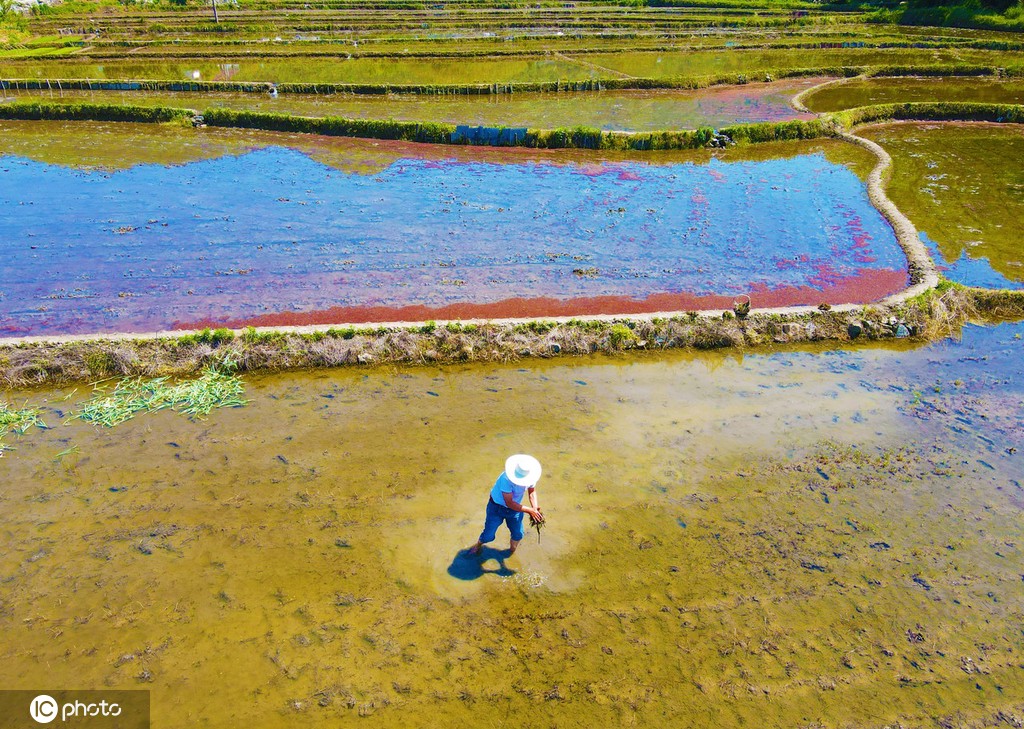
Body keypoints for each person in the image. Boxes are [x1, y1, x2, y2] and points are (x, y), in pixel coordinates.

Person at [467, 454, 544, 556]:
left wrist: (534, 507)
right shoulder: (506, 479)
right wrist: (529, 510)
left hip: (514, 509)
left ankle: (511, 552)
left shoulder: (531, 476)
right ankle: (478, 544)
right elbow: (509, 503)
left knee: (518, 534)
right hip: (497, 508)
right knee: (488, 536)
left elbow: (532, 492)